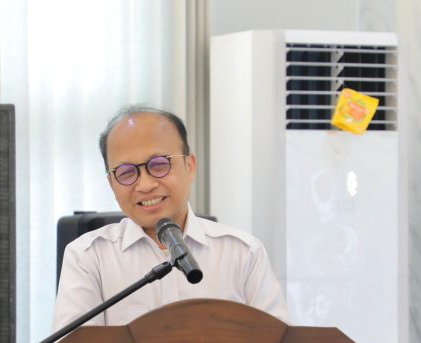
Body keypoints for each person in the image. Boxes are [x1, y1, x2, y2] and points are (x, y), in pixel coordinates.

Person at [53, 105, 288, 330]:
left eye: (158, 165)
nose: (145, 185)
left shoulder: (243, 254)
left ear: (190, 166)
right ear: (111, 184)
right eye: (126, 173)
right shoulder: (88, 258)